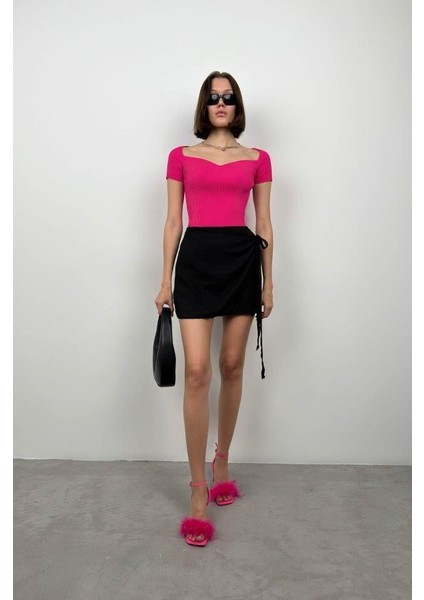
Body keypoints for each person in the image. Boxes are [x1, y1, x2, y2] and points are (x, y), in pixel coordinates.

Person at [154, 71, 273, 546]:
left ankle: (222, 461)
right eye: (213, 97)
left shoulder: (258, 159)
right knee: (197, 370)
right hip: (197, 262)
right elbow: (172, 222)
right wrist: (165, 279)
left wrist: (269, 282)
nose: (221, 103)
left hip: (241, 262)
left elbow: (264, 223)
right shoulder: (180, 156)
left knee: (232, 364)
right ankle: (198, 487)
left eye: (228, 97)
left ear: (237, 106)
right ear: (204, 107)